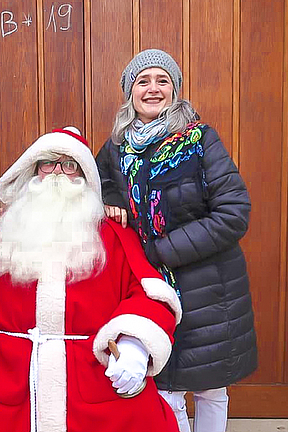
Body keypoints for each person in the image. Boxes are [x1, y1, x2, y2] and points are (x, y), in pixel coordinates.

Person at [0, 127, 182, 432]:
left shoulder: (113, 236)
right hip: (1, 380)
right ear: (32, 170)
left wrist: (134, 343)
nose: (58, 172)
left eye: (70, 164)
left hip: (91, 377)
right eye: (48, 162)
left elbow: (149, 293)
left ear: (85, 176)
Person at [95, 49, 258, 432]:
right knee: (165, 388)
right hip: (153, 289)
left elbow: (233, 212)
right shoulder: (117, 149)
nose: (153, 89)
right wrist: (112, 199)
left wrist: (160, 251)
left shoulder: (199, 139)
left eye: (162, 81)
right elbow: (98, 180)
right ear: (129, 92)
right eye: (143, 81)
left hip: (210, 287)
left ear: (175, 89)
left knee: (210, 389)